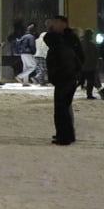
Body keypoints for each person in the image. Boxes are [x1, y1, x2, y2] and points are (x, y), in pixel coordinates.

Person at [45, 15, 83, 145]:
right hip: (65, 76)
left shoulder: (66, 40)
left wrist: (75, 71)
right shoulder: (64, 39)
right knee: (64, 107)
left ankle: (65, 136)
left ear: (63, 23)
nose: (53, 25)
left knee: (62, 108)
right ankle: (65, 134)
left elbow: (50, 40)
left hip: (66, 76)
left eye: (56, 22)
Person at [79, 29, 100, 100]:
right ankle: (89, 94)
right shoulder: (92, 45)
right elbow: (96, 55)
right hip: (90, 66)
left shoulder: (81, 43)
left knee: (81, 80)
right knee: (90, 81)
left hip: (82, 65)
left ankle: (69, 92)